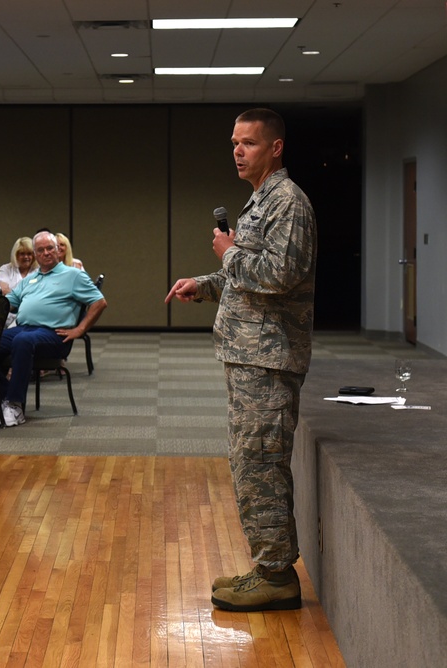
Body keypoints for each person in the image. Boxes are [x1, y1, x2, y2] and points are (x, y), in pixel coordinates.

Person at [165, 108, 316, 613]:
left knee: (262, 463)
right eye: (234, 142)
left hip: (269, 359)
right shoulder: (260, 201)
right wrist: (204, 284)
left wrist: (227, 253)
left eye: (248, 143)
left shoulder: (287, 202)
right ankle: (267, 565)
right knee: (250, 462)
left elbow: (278, 275)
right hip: (251, 356)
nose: (237, 151)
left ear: (275, 147)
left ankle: (277, 576)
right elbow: (248, 276)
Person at [0, 231, 106, 428]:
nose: (46, 253)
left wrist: (80, 329)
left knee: (22, 341)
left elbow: (99, 302)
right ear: (36, 254)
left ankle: (15, 405)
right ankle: (4, 396)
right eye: (41, 250)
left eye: (50, 248)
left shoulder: (73, 275)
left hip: (54, 334)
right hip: (24, 329)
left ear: (58, 250)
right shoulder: (31, 278)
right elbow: (7, 303)